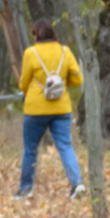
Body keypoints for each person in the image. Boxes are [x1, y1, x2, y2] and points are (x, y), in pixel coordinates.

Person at [15, 19, 85, 200]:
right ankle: (77, 183)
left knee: (30, 149)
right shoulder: (65, 51)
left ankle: (26, 189)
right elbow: (77, 79)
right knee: (65, 146)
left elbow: (23, 83)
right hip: (61, 108)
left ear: (37, 34)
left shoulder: (31, 53)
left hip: (35, 110)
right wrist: (60, 83)